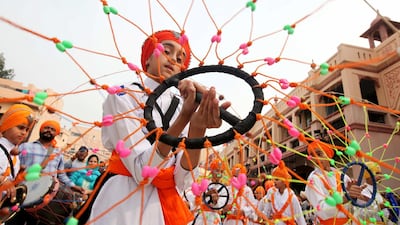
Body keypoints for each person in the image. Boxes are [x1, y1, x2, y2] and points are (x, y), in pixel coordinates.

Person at [88, 30, 230, 225]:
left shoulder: (183, 103)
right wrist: (185, 117)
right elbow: (141, 171)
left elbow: (182, 179)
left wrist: (197, 128)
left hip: (164, 206)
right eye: (166, 51)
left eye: (180, 58)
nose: (172, 59)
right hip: (123, 199)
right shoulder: (123, 95)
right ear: (146, 60)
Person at [6, 120, 85, 225]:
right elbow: (13, 168)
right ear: (41, 129)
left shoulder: (58, 152)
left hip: (46, 200)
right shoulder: (25, 147)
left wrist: (73, 185)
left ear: (56, 134)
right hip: (23, 195)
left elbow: (61, 174)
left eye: (53, 129)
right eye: (46, 127)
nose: (49, 131)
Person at [305, 140, 366, 225]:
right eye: (312, 155)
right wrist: (347, 197)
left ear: (329, 155)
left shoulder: (342, 176)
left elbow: (357, 205)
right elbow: (322, 211)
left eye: (319, 154)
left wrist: (355, 193)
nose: (316, 158)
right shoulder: (313, 179)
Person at [0, 104, 34, 224]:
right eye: (20, 127)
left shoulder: (14, 155)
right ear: (7, 126)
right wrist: (3, 180)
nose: (24, 133)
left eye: (26, 130)